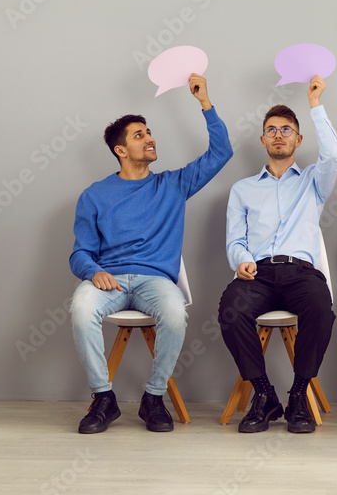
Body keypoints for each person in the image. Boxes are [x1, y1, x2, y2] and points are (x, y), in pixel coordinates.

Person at [69, 73, 232, 434]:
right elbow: (79, 253)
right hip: (108, 280)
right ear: (121, 150)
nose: (150, 138)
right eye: (139, 135)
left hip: (154, 280)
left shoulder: (173, 185)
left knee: (175, 312)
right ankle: (103, 399)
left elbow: (222, 153)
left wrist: (205, 102)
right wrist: (92, 271)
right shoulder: (94, 195)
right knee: (81, 308)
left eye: (149, 132)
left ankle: (154, 397)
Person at [219, 75, 337, 434]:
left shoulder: (314, 182)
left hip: (302, 274)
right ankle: (264, 393)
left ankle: (299, 395)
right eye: (271, 129)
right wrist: (240, 259)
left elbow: (333, 153)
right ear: (262, 140)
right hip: (258, 274)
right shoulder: (242, 190)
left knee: (321, 309)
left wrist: (315, 105)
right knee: (230, 309)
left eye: (286, 129)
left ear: (298, 139)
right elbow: (233, 240)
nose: (278, 134)